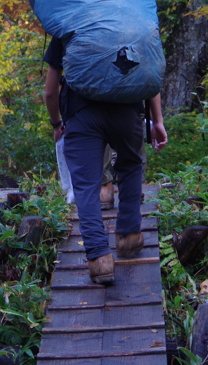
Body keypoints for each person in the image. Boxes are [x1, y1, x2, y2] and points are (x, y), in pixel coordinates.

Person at [44, 36, 167, 285]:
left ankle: (99, 259)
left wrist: (57, 123)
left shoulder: (68, 27)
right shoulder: (131, 24)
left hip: (81, 113)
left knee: (86, 186)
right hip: (127, 109)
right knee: (131, 167)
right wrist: (158, 121)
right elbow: (151, 78)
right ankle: (129, 235)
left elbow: (50, 91)